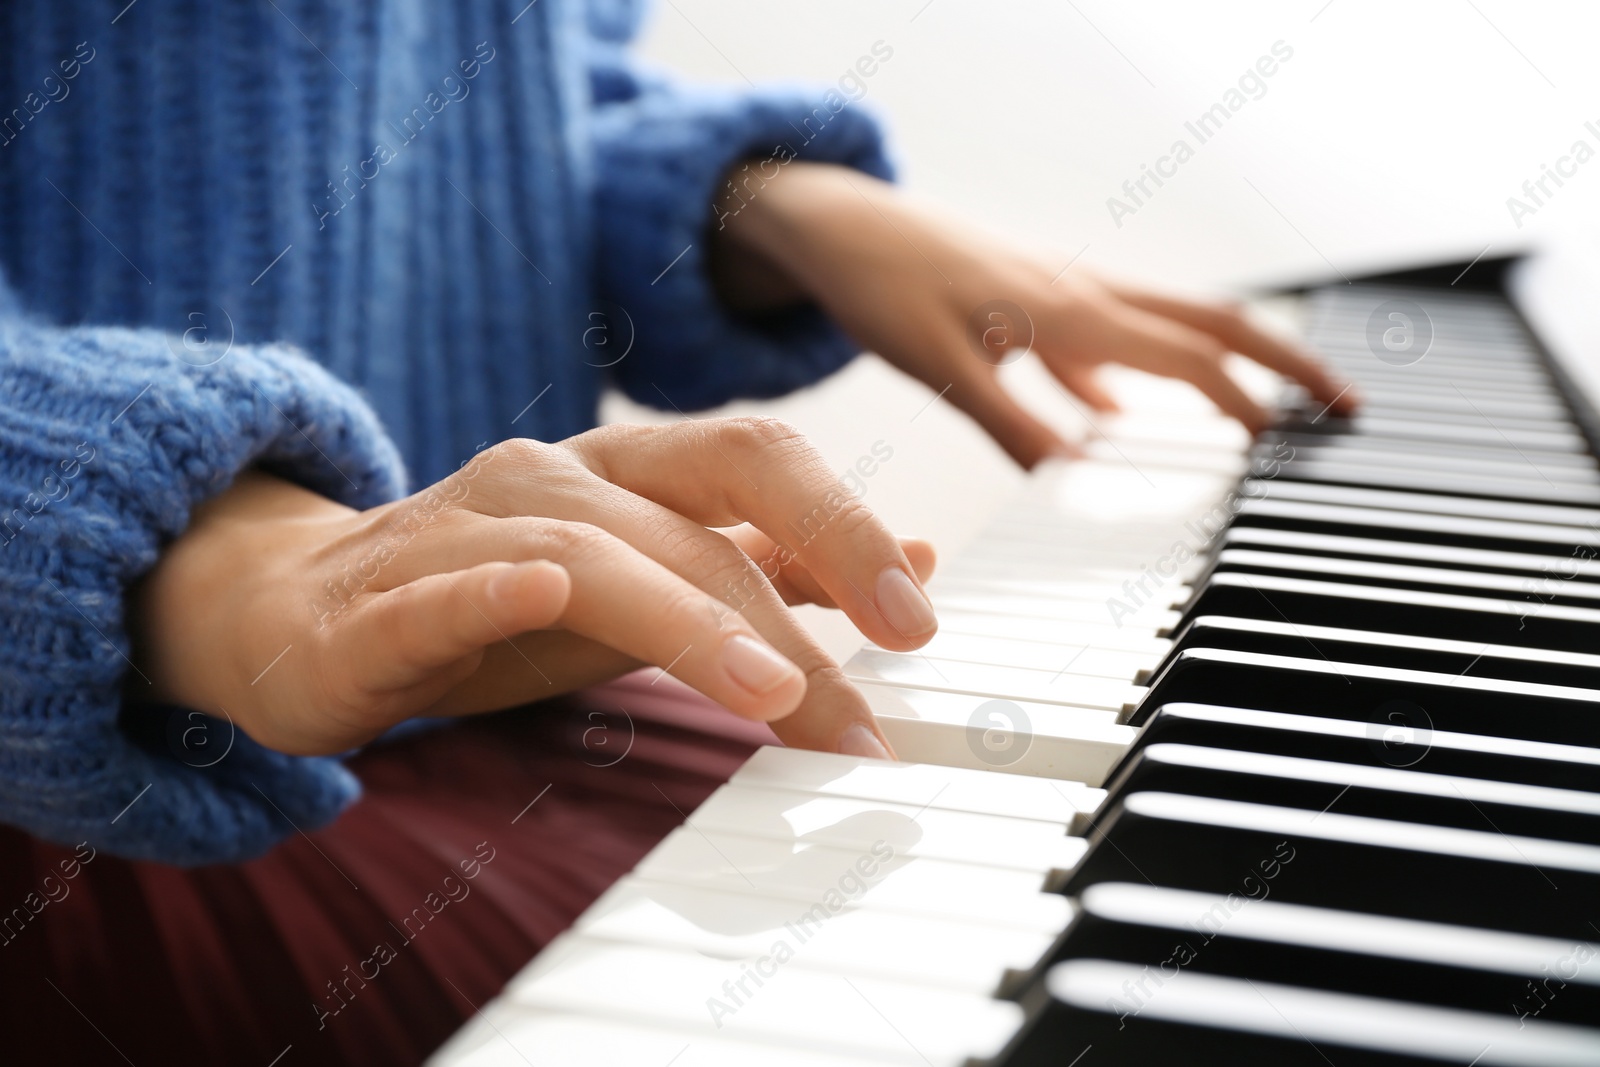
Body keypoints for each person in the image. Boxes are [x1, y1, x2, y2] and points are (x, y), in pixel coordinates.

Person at [0, 1, 1355, 1062]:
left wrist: (772, 209)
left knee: (1046, 862)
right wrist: (184, 553)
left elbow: (513, 94)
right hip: (87, 780)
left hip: (489, 673)